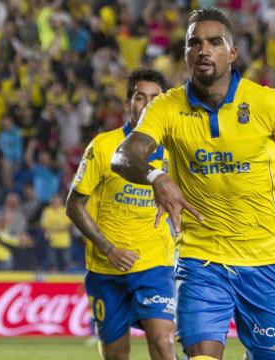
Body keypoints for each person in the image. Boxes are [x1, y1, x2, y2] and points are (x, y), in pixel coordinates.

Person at [111, 8, 275, 360]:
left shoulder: (267, 103)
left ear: (233, 52)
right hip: (201, 260)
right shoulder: (165, 107)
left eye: (214, 42)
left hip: (266, 260)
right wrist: (156, 176)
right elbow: (123, 155)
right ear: (185, 53)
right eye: (194, 43)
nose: (203, 50)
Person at [66, 68, 175, 360]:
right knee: (116, 356)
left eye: (156, 98)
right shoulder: (102, 146)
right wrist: (108, 249)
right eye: (141, 98)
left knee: (163, 343)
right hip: (106, 269)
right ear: (128, 104)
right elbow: (74, 205)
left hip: (155, 264)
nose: (148, 105)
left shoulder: (175, 150)